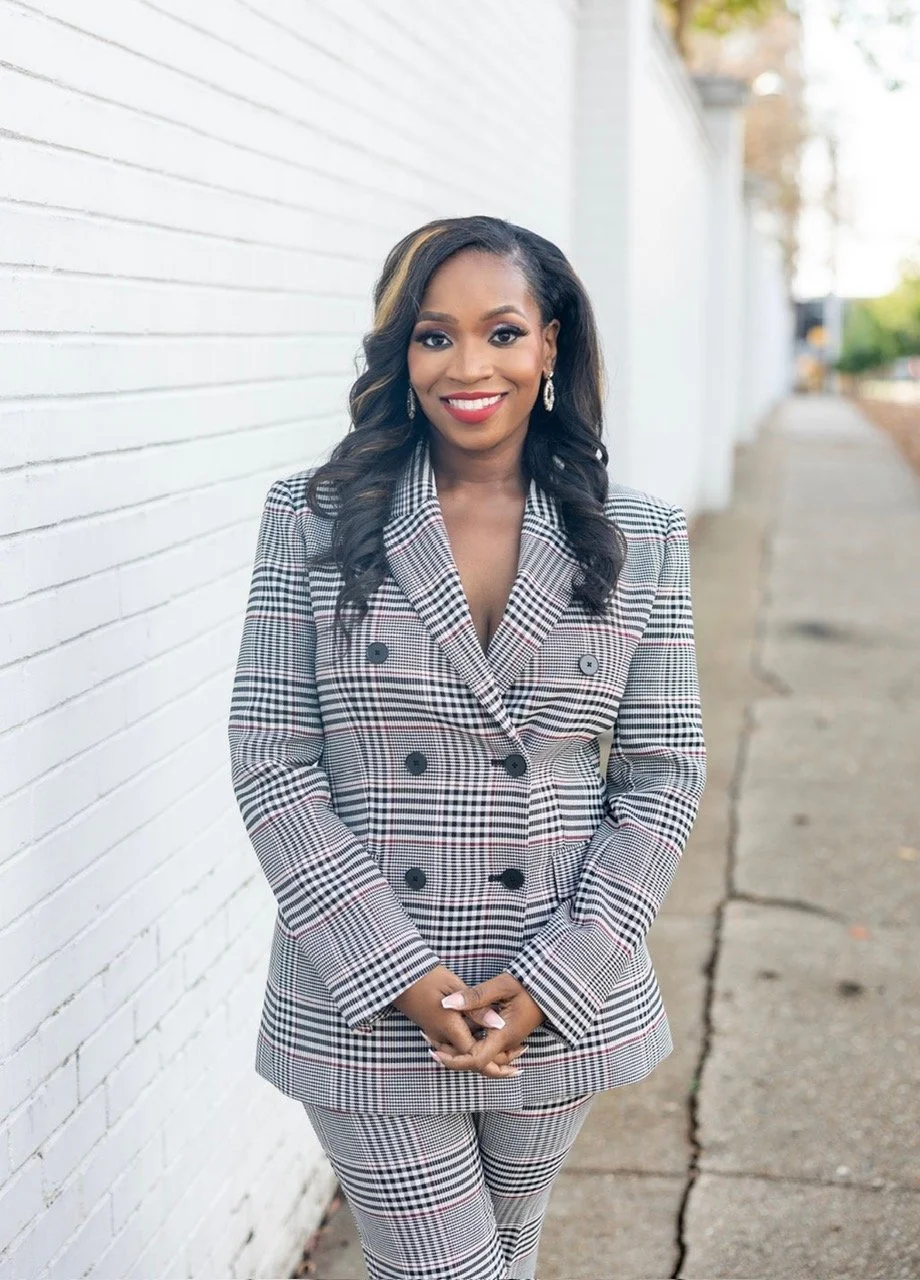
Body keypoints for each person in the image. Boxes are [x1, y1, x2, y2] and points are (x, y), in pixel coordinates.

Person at [227, 215, 707, 1280]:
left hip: (556, 987)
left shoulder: (636, 533)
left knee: (503, 1253)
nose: (469, 364)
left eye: (500, 331)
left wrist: (558, 974)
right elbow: (272, 761)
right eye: (433, 336)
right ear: (399, 356)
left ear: (549, 344)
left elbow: (660, 775)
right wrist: (408, 980)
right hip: (366, 990)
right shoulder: (312, 519)